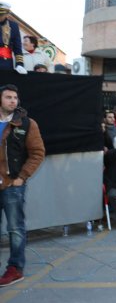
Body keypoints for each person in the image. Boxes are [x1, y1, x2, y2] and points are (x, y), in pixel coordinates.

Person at [0, 84, 45, 286]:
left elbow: (37, 153)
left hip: (13, 185)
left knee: (15, 228)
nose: (12, 101)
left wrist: (22, 177)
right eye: (8, 97)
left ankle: (15, 268)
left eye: (15, 98)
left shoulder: (26, 123)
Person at [0, 3, 27, 75]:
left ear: (7, 14)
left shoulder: (13, 26)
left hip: (5, 64)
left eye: (1, 15)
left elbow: (17, 48)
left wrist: (19, 64)